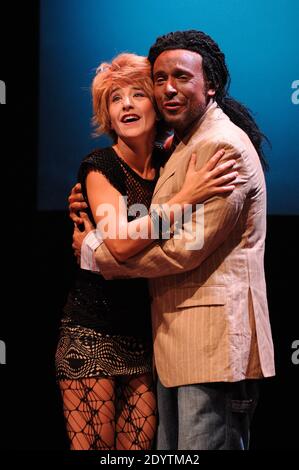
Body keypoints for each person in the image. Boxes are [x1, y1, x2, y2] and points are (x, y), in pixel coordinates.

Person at [70, 30, 276, 451]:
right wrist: (102, 211)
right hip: (175, 343)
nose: (168, 89)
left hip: (213, 344)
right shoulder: (180, 147)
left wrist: (98, 253)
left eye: (181, 77)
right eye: (160, 78)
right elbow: (152, 223)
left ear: (211, 83)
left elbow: (184, 248)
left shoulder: (220, 146)